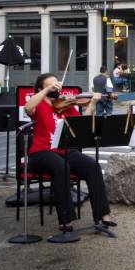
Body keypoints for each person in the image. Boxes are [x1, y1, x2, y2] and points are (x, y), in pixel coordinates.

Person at [24, 73, 116, 232]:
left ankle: (103, 215)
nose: (56, 87)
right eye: (50, 85)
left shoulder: (65, 105)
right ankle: (65, 220)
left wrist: (93, 103)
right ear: (41, 88)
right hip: (41, 152)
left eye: (57, 84)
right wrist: (46, 91)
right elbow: (28, 107)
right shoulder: (39, 104)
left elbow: (82, 123)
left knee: (92, 166)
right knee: (62, 166)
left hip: (64, 150)